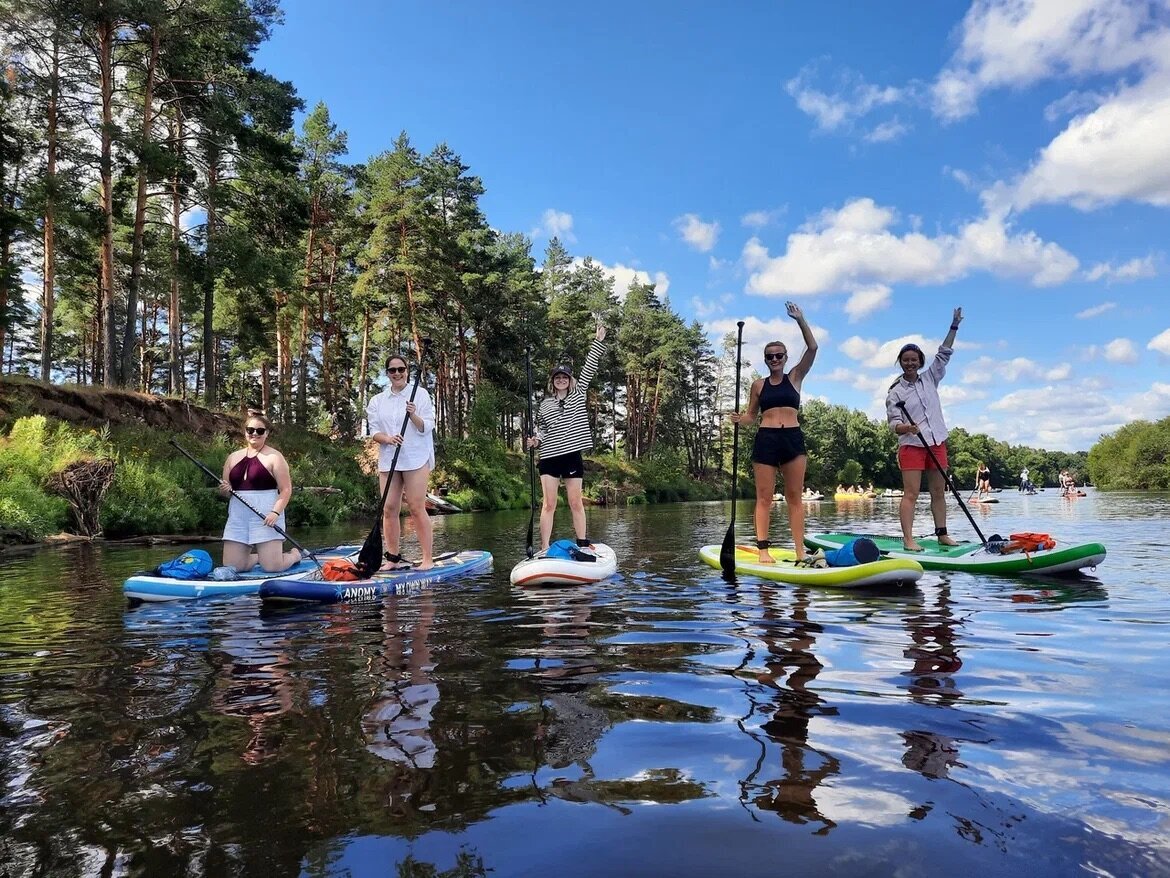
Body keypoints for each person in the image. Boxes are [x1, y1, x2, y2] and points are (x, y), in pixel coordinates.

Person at [729, 301, 818, 563]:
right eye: (770, 356)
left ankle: (800, 550)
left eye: (779, 355)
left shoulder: (795, 377)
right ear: (766, 360)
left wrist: (800, 320)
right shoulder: (758, 385)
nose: (775, 359)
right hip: (766, 439)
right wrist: (738, 419)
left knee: (794, 497)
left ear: (786, 358)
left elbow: (813, 348)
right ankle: (763, 550)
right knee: (764, 498)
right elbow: (750, 417)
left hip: (792, 439)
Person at [886, 308, 963, 552]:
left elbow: (944, 354)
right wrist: (905, 427)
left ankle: (942, 534)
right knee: (911, 494)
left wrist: (954, 326)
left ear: (920, 361)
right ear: (901, 362)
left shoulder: (930, 378)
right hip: (912, 445)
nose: (910, 363)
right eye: (906, 359)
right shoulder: (895, 391)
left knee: (938, 491)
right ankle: (909, 540)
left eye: (914, 359)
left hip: (936, 441)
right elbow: (892, 424)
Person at [527, 323, 607, 552]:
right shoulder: (544, 404)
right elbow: (541, 431)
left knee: (575, 502)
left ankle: (582, 542)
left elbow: (589, 368)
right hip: (549, 457)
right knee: (549, 504)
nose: (561, 379)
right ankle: (544, 546)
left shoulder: (578, 394)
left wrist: (598, 342)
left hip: (571, 456)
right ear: (552, 381)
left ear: (570, 380)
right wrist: (535, 441)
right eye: (557, 377)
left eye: (564, 377)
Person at [367, 353, 436, 570]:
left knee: (416, 507)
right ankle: (392, 559)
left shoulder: (421, 394)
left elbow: (427, 426)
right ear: (387, 373)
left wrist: (413, 414)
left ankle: (427, 559)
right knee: (389, 508)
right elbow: (374, 430)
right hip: (390, 458)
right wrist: (387, 439)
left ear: (407, 371)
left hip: (415, 457)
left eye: (401, 369)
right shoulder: (377, 400)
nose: (397, 373)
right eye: (392, 370)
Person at [219, 411, 301, 572]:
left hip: (267, 516)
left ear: (267, 433)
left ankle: (294, 555)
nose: (254, 434)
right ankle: (259, 557)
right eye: (250, 430)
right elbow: (225, 493)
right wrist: (225, 489)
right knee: (232, 567)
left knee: (272, 568)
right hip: (238, 516)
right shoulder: (232, 457)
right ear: (245, 431)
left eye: (260, 431)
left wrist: (275, 513)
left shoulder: (274, 457)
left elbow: (286, 489)